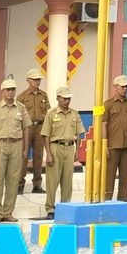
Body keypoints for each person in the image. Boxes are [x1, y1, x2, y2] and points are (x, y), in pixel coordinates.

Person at [0, 77, 31, 222]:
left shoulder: (21, 108)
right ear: (2, 91)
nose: (11, 92)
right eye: (8, 90)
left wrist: (25, 149)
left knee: (13, 179)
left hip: (16, 144)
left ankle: (8, 212)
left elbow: (26, 129)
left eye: (13, 89)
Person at [41, 86, 85, 215]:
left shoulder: (74, 114)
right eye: (64, 98)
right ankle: (50, 208)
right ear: (58, 98)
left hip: (70, 147)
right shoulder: (51, 114)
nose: (67, 101)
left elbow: (79, 133)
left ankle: (65, 207)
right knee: (52, 180)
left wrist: (77, 151)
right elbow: (46, 135)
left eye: (68, 99)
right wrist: (48, 154)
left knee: (67, 180)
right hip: (56, 147)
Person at [103, 74, 127, 202]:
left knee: (125, 177)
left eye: (126, 87)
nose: (125, 89)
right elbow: (103, 124)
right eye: (122, 87)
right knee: (109, 176)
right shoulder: (108, 104)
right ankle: (107, 201)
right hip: (112, 145)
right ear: (115, 87)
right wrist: (104, 145)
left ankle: (123, 201)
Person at [17, 68, 50, 195]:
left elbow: (47, 112)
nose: (37, 82)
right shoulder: (22, 96)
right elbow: (17, 114)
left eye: (38, 80)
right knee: (23, 156)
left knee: (38, 156)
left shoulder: (44, 95)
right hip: (27, 128)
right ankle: (20, 184)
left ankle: (37, 184)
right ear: (28, 80)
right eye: (34, 79)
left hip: (40, 127)